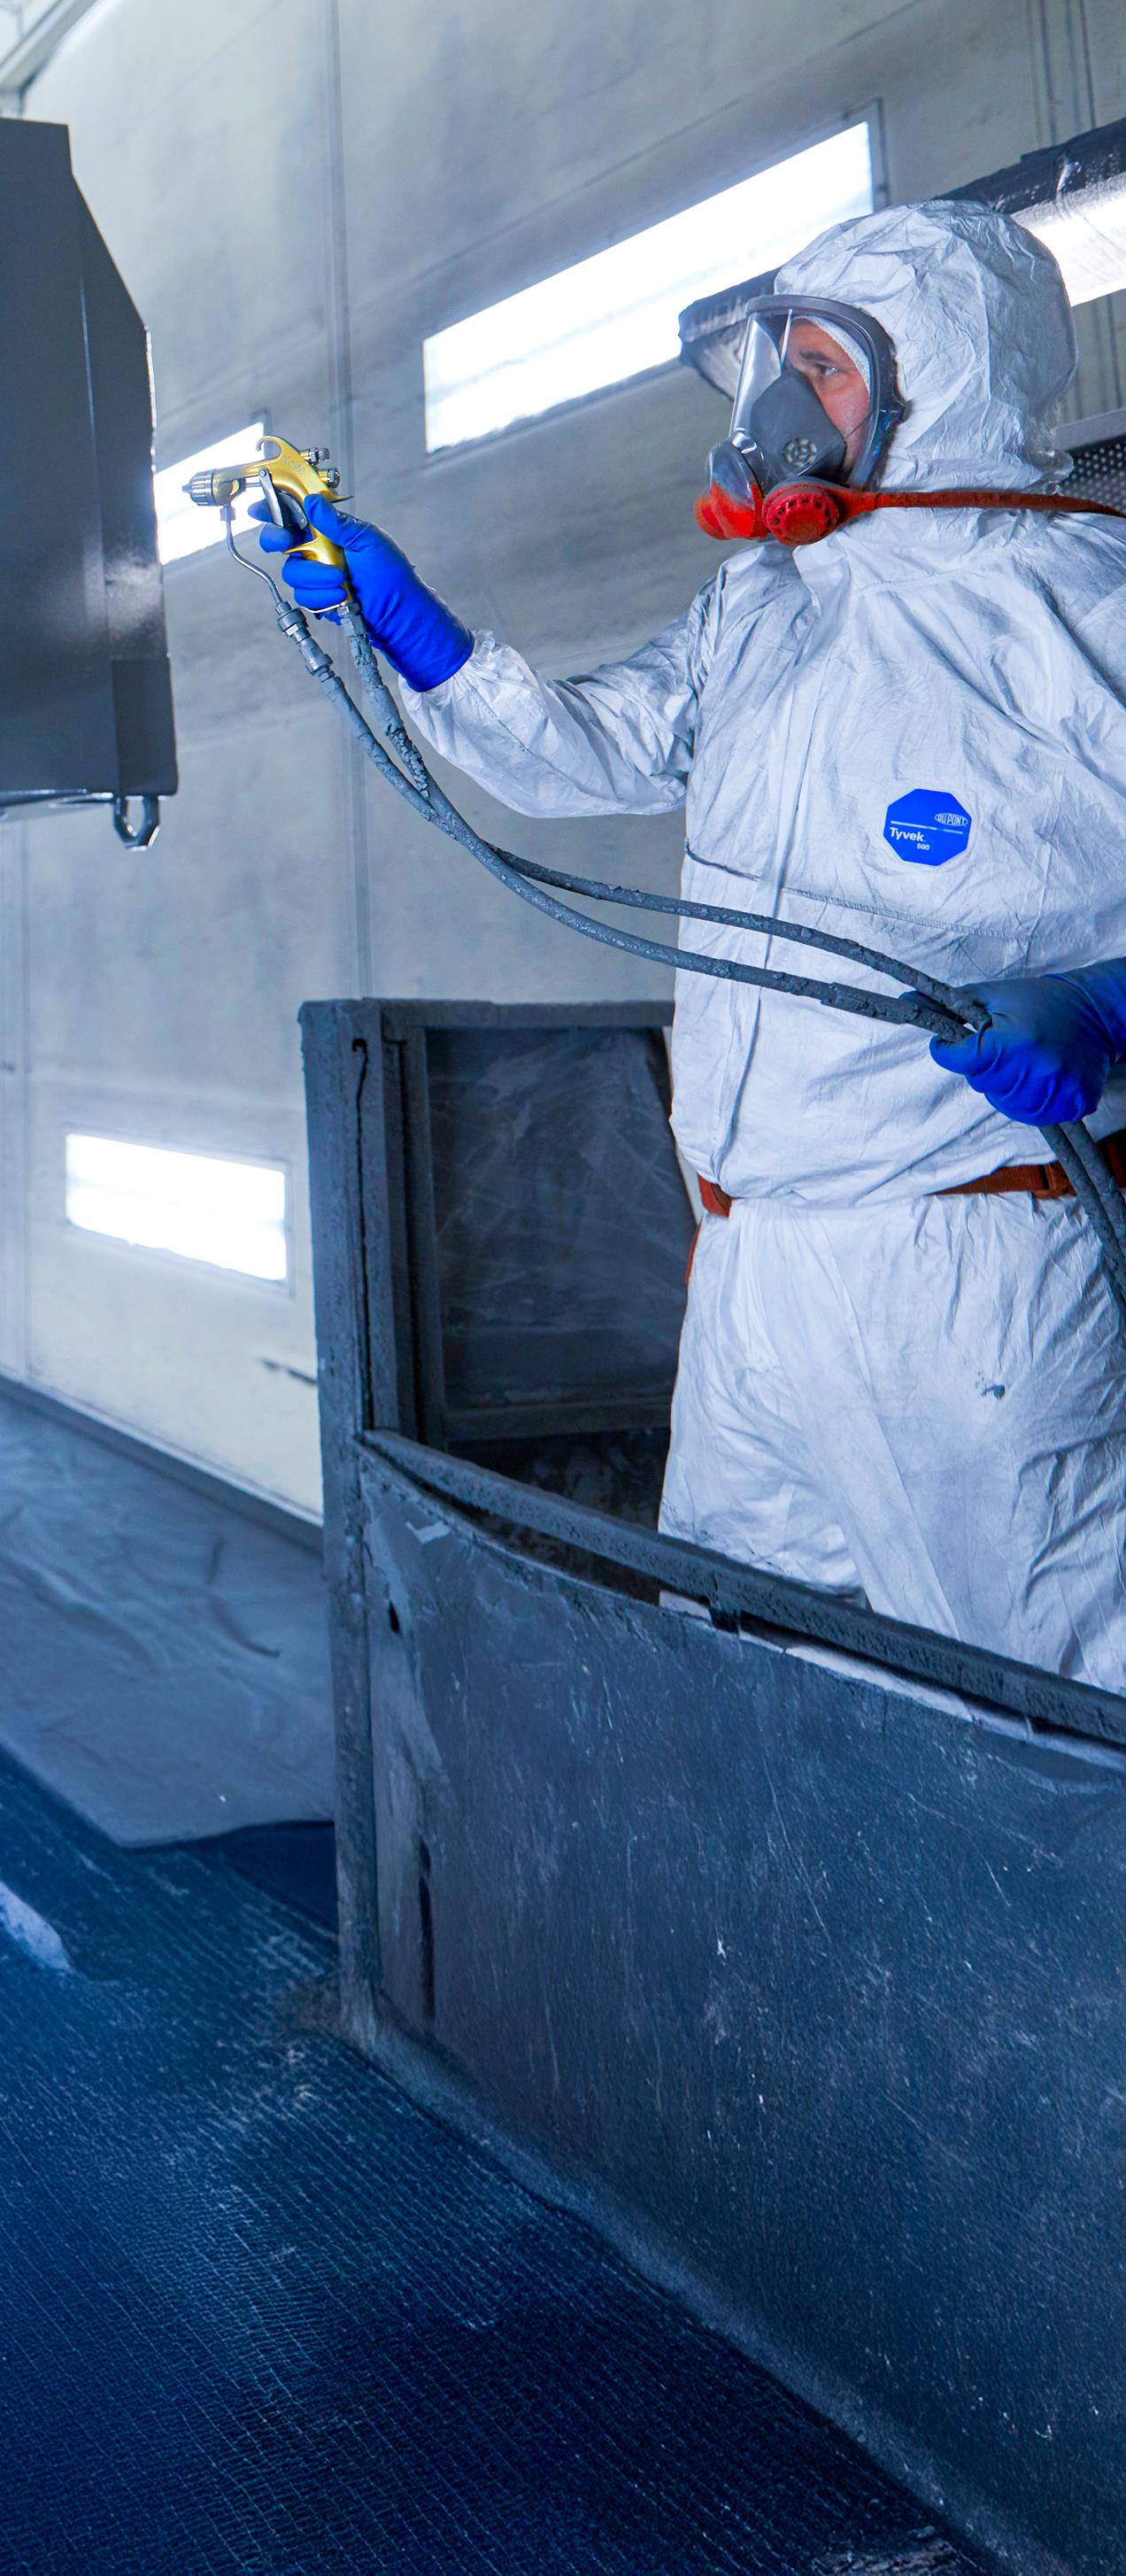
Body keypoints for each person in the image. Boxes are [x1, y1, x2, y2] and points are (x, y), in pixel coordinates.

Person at [258, 198, 1126, 1689]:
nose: (784, 405)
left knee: (1049, 1693)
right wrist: (414, 631)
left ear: (943, 379)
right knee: (739, 1673)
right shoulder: (762, 610)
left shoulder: (1082, 610)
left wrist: (1108, 1008)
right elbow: (586, 751)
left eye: (825, 368)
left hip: (966, 1266)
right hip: (744, 1265)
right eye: (784, 364)